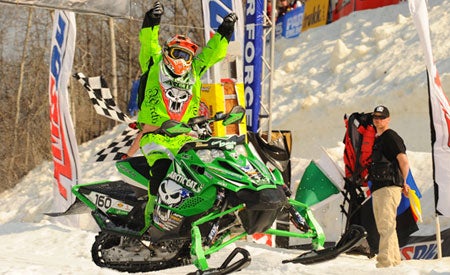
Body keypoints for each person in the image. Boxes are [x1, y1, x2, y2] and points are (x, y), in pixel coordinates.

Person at [132, 1, 237, 228]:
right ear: (168, 52)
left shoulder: (195, 70)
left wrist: (225, 31)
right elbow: (148, 44)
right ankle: (151, 222)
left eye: (187, 55)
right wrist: (153, 20)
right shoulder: (154, 64)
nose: (182, 60)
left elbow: (212, 53)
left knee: (204, 173)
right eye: (178, 53)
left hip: (186, 137)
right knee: (162, 174)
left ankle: (200, 219)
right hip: (156, 136)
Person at [368, 105, 410, 268]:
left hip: (389, 186)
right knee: (385, 225)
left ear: (388, 119)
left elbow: (403, 160)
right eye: (375, 117)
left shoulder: (391, 136)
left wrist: (405, 182)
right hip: (379, 188)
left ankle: (385, 263)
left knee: (386, 225)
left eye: (381, 117)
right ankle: (393, 261)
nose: (378, 120)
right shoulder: (378, 139)